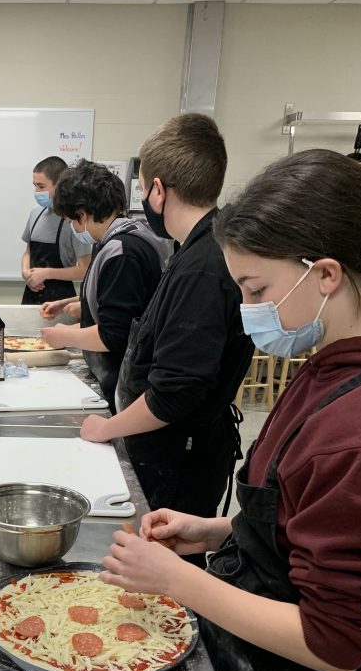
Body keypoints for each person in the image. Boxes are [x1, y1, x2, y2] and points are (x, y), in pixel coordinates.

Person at [100, 148, 361, 671]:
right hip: (258, 666)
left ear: (322, 275)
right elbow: (299, 521)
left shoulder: (355, 431)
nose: (248, 309)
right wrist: (215, 532)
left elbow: (336, 641)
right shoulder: (324, 368)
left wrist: (176, 583)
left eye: (254, 291)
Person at [80, 114, 252, 526]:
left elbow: (175, 393)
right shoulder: (195, 248)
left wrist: (108, 429)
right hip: (174, 450)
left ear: (158, 190)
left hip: (179, 460)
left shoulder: (204, 266)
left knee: (163, 581)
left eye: (141, 189)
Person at [39, 160, 168, 407]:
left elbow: (114, 335)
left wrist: (65, 335)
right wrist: (74, 303)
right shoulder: (115, 242)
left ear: (82, 214)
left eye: (71, 221)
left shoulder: (123, 252)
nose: (73, 227)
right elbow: (116, 301)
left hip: (127, 382)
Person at [21, 156, 91, 305]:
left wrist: (47, 273)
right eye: (35, 185)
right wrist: (26, 272)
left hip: (61, 299)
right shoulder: (35, 213)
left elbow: (85, 270)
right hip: (30, 296)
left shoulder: (72, 220)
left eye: (41, 186)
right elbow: (28, 252)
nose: (36, 191)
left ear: (59, 185)